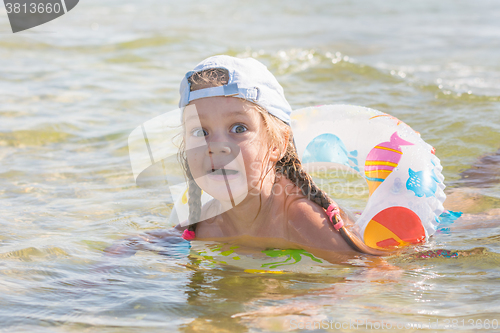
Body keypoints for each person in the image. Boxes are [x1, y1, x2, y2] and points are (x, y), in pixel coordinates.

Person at [106, 55, 386, 257]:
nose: (216, 146)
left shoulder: (300, 219)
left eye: (238, 128)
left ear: (277, 145)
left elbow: (372, 276)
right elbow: (165, 242)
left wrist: (300, 304)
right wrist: (127, 248)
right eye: (200, 132)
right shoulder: (205, 225)